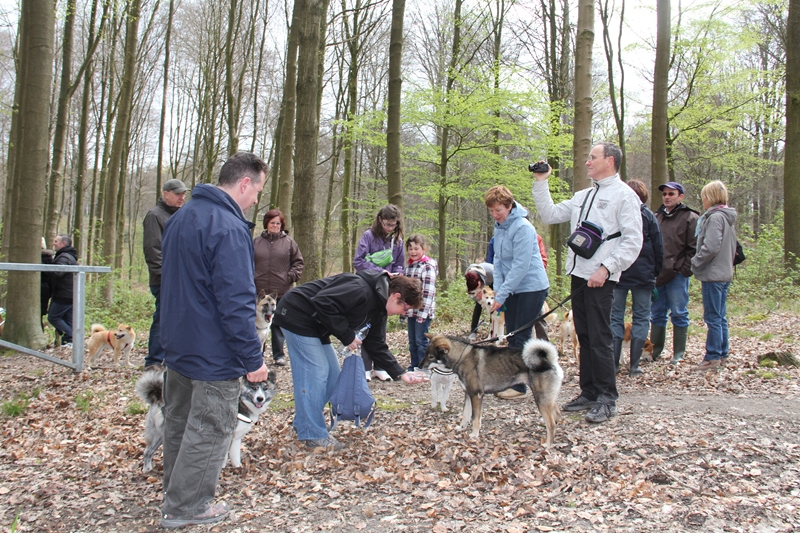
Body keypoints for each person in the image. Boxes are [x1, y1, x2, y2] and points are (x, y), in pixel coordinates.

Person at [158, 152, 269, 530]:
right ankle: (187, 506)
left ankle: (175, 493)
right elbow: (236, 301)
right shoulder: (228, 226)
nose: (257, 199)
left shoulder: (181, 217)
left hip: (178, 344)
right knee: (211, 425)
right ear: (244, 184)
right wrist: (253, 359)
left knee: (179, 421)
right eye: (257, 190)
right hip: (213, 352)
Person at [531, 142, 642, 423]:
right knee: (586, 336)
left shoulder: (624, 197)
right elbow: (551, 214)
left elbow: (632, 241)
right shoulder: (583, 195)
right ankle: (589, 392)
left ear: (610, 161)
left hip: (601, 278)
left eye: (592, 158)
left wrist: (606, 268)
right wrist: (541, 182)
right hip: (579, 275)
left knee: (601, 337)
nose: (587, 163)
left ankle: (607, 398)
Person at [273, 272, 426, 450]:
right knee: (317, 371)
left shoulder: (379, 308)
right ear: (396, 296)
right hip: (296, 313)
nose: (404, 314)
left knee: (333, 376)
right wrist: (347, 335)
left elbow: (376, 344)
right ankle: (312, 433)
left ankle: (304, 422)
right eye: (405, 309)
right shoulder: (360, 289)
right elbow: (323, 301)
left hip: (316, 325)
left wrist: (400, 373)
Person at [485, 185, 550, 400]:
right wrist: (499, 294)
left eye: (499, 211)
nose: (495, 215)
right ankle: (515, 379)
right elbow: (499, 263)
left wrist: (503, 294)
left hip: (531, 286)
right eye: (492, 211)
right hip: (512, 287)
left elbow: (520, 266)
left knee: (520, 335)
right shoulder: (499, 227)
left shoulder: (523, 227)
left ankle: (520, 386)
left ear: (509, 206)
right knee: (511, 332)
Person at [610, 180, 663, 376]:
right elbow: (659, 247)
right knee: (641, 317)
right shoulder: (649, 216)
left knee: (615, 316)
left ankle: (615, 365)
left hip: (619, 272)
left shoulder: (616, 215)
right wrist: (654, 272)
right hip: (642, 275)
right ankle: (634, 366)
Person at [353, 204, 405, 381]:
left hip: (387, 288)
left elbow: (400, 263)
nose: (389, 228)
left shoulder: (397, 240)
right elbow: (358, 261)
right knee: (365, 324)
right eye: (386, 224)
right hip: (368, 285)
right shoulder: (369, 236)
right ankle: (365, 366)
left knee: (380, 326)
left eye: (393, 224)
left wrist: (396, 274)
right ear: (380, 220)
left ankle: (381, 366)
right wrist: (380, 271)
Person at [650, 181, 699, 364]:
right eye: (665, 194)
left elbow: (693, 249)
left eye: (671, 194)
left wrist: (684, 270)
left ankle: (679, 353)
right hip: (658, 274)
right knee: (657, 313)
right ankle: (655, 350)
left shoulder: (690, 218)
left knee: (679, 312)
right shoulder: (656, 217)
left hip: (678, 275)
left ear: (680, 196)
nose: (667, 197)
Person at [691, 180, 737, 372]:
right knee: (720, 316)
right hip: (723, 272)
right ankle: (722, 353)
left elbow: (711, 246)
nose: (702, 201)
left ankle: (713, 356)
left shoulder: (716, 218)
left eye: (704, 197)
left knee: (713, 317)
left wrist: (695, 261)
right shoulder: (726, 217)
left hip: (714, 274)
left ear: (709, 197)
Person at [142, 178, 188, 368]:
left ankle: (172, 358)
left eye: (183, 194)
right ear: (166, 194)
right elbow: (153, 251)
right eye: (178, 194)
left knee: (178, 320)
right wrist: (166, 278)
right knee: (163, 318)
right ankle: (153, 360)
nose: (181, 197)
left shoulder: (182, 215)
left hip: (181, 279)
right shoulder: (155, 216)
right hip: (165, 280)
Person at [254, 208, 304, 366]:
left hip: (281, 290)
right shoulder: (256, 242)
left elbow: (298, 263)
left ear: (281, 225)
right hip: (258, 290)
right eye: (272, 223)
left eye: (278, 223)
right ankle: (257, 354)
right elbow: (246, 262)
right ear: (266, 224)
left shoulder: (289, 242)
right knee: (256, 323)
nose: (275, 226)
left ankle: (278, 355)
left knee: (277, 323)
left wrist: (290, 277)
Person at [404, 234, 438, 371]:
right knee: (412, 341)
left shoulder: (427, 266)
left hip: (423, 311)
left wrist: (423, 314)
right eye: (410, 248)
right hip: (411, 311)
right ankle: (414, 365)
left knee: (421, 340)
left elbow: (429, 292)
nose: (413, 251)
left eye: (416, 248)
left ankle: (424, 367)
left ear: (423, 249)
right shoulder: (408, 267)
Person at [48, 234, 78, 347]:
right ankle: (70, 341)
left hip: (64, 294)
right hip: (70, 293)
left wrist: (47, 267)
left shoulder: (64, 257)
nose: (54, 243)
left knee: (53, 317)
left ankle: (72, 337)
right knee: (68, 319)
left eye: (56, 241)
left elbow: (58, 271)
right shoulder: (68, 256)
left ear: (63, 244)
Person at [465, 261, 493, 342]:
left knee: (492, 306)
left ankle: (492, 332)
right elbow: (471, 293)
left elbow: (499, 283)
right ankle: (473, 331)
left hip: (494, 281)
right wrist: (478, 298)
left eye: (477, 288)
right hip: (482, 281)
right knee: (478, 306)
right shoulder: (468, 275)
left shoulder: (490, 271)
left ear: (479, 282)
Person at [41, 237, 54, 333]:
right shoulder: (49, 258)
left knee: (37, 315)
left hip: (42, 289)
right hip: (45, 289)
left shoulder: (44, 258)